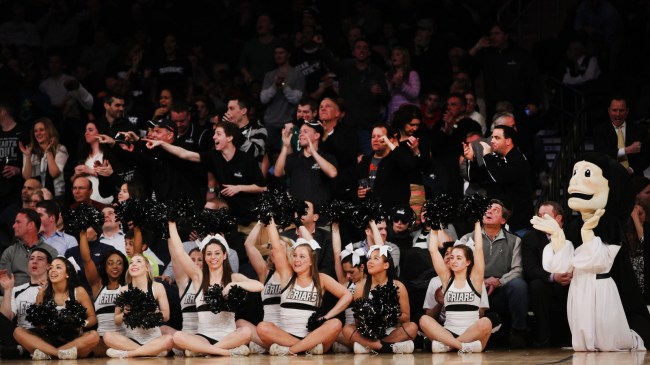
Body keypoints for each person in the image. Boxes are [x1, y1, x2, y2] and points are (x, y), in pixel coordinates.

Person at [531, 152, 650, 351]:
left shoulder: (610, 224)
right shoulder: (573, 225)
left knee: (608, 341)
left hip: (601, 287)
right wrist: (558, 239)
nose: (575, 181)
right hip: (579, 288)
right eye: (575, 173)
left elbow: (601, 261)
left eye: (585, 174)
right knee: (583, 343)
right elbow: (564, 265)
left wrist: (588, 236)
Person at [256, 220, 352, 355]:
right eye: (294, 256)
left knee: (335, 323)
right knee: (262, 327)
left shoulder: (321, 279)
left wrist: (326, 317)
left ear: (311, 261)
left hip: (313, 336)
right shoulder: (287, 276)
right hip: (287, 337)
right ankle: (305, 348)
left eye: (302, 256)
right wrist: (270, 219)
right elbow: (277, 248)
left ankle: (292, 350)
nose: (297, 260)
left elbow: (347, 295)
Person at [145, 120, 265, 227]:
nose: (213, 137)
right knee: (210, 206)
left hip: (250, 212)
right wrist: (161, 143)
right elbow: (185, 154)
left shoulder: (246, 160)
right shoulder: (213, 156)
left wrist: (239, 188)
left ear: (229, 138)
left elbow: (263, 187)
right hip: (228, 207)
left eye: (218, 134)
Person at [168, 221, 262, 356]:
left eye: (217, 253)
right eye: (209, 254)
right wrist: (171, 224)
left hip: (229, 337)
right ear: (205, 257)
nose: (213, 257)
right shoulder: (198, 277)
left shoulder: (234, 277)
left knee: (246, 332)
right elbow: (179, 252)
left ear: (224, 255)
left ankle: (205, 351)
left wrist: (231, 285)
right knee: (178, 337)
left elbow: (259, 286)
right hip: (203, 337)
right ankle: (224, 353)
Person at [457, 200, 528, 348]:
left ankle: (518, 332)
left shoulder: (515, 241)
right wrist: (481, 281)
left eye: (495, 210)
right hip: (475, 287)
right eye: (487, 209)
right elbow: (458, 267)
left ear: (503, 220)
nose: (489, 211)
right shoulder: (466, 238)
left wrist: (499, 281)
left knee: (519, 285)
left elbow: (518, 269)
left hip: (501, 287)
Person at [419, 220, 492, 353]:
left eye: (459, 258)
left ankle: (448, 346)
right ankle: (461, 347)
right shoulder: (447, 279)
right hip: (448, 333)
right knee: (424, 320)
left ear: (468, 262)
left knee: (486, 322)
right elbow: (433, 250)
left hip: (472, 334)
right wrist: (435, 226)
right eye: (452, 258)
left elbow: (480, 249)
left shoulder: (475, 280)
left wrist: (476, 222)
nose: (453, 261)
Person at [13, 257, 99, 360]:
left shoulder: (79, 291)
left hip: (72, 340)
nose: (53, 270)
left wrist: (81, 324)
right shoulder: (42, 294)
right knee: (18, 331)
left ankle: (48, 354)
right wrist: (45, 323)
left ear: (67, 274)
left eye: (58, 267)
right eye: (51, 268)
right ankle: (59, 354)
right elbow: (38, 323)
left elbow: (92, 318)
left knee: (93, 335)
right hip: (47, 340)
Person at [342, 244, 418, 354]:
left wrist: (387, 314)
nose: (370, 262)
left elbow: (406, 318)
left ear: (386, 265)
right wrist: (369, 316)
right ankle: (384, 347)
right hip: (368, 334)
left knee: (413, 327)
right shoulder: (361, 286)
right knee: (347, 329)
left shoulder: (398, 286)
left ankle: (372, 347)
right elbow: (357, 320)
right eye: (369, 259)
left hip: (391, 332)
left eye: (376, 258)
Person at [464, 125, 534, 236]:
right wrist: (471, 160)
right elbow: (477, 179)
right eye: (492, 137)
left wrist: (487, 156)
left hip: (518, 224)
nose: (492, 141)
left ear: (508, 141)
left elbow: (500, 177)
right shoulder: (495, 159)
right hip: (498, 224)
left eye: (497, 138)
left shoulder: (518, 159)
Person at [237, 222, 292, 354]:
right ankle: (274, 347)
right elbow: (248, 245)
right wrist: (261, 222)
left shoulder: (292, 273)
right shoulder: (265, 273)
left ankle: (276, 346)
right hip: (266, 330)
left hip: (287, 331)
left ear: (289, 251)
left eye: (278, 247)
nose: (274, 250)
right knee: (240, 323)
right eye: (271, 247)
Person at [103, 253, 173, 358]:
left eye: (138, 261)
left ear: (147, 268)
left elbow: (166, 315)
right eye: (131, 263)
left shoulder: (157, 287)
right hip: (132, 339)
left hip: (154, 338)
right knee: (107, 336)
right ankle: (152, 352)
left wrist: (154, 313)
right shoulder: (123, 290)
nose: (133, 264)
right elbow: (117, 321)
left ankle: (129, 354)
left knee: (169, 339)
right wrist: (124, 314)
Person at [521, 201, 571, 347]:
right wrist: (553, 277)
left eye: (546, 216)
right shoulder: (530, 238)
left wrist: (570, 275)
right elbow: (530, 269)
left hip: (570, 280)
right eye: (539, 215)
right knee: (537, 285)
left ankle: (572, 336)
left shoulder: (571, 234)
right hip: (545, 281)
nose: (541, 218)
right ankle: (544, 337)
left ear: (558, 218)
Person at [78, 225, 127, 356]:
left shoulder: (128, 286)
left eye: (119, 263)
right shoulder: (98, 286)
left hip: (124, 338)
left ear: (124, 266)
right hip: (100, 338)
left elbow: (138, 253)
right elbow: (86, 259)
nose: (115, 266)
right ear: (104, 267)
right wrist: (82, 232)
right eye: (110, 263)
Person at [0, 248, 51, 359]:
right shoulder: (17, 290)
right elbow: (6, 317)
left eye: (40, 259)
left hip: (44, 334)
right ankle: (22, 349)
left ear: (48, 266)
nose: (34, 261)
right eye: (31, 259)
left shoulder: (53, 288)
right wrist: (8, 290)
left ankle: (18, 350)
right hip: (19, 334)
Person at [274, 120, 338, 208]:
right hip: (297, 213)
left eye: (305, 131)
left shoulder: (327, 157)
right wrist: (285, 147)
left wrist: (313, 152)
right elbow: (278, 173)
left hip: (320, 213)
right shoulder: (294, 158)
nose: (300, 134)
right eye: (300, 132)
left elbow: (332, 173)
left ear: (317, 136)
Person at [260, 42, 305, 152]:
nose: (278, 55)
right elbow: (263, 99)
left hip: (288, 123)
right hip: (270, 123)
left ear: (288, 54)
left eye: (281, 53)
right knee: (269, 154)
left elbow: (296, 100)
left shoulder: (297, 74)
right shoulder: (269, 75)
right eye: (276, 53)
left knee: (288, 154)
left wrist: (283, 85)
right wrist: (275, 84)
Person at [357, 124, 415, 209]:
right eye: (373, 137)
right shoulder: (365, 161)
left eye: (380, 137)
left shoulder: (396, 159)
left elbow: (409, 165)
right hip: (370, 212)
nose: (375, 140)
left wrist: (389, 144)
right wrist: (358, 193)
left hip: (393, 213)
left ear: (390, 139)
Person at [330, 221, 367, 352]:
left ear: (362, 267)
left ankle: (364, 345)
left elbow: (379, 250)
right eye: (346, 272)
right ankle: (359, 345)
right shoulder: (345, 282)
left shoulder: (371, 281)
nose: (348, 276)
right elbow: (336, 255)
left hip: (368, 330)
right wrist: (334, 228)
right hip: (348, 332)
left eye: (352, 272)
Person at [593, 95, 650, 176]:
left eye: (621, 110)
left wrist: (631, 170)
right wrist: (627, 150)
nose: (618, 114)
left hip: (634, 177)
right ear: (609, 111)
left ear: (627, 111)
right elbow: (601, 155)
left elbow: (647, 156)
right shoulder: (600, 130)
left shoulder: (639, 130)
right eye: (614, 110)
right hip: (609, 177)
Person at [0, 209, 58, 288]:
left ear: (30, 225)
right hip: (13, 296)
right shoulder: (10, 252)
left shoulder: (51, 252)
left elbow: (56, 280)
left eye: (18, 222)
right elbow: (3, 283)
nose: (13, 226)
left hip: (41, 295)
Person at [19, 117, 68, 199]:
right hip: (35, 198)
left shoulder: (60, 149)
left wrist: (48, 151)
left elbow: (54, 173)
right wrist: (28, 156)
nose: (38, 133)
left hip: (56, 196)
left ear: (49, 131)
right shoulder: (29, 150)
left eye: (41, 130)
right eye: (36, 131)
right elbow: (27, 177)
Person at [71, 120, 114, 205]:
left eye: (90, 130)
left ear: (99, 132)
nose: (86, 133)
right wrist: (76, 175)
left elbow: (113, 177)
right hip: (87, 201)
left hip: (104, 200)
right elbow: (72, 180)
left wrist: (90, 171)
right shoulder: (83, 155)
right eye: (86, 130)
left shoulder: (107, 154)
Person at [386, 46, 420, 118]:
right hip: (394, 113)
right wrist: (391, 84)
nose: (394, 57)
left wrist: (401, 84)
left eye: (397, 54)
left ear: (404, 58)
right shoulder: (388, 75)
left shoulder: (412, 74)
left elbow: (415, 94)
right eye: (393, 55)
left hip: (410, 114)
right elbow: (386, 95)